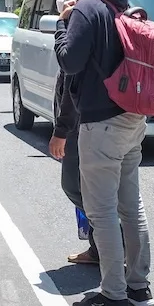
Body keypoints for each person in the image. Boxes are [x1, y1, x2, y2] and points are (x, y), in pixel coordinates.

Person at [54, 0, 153, 306]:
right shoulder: (120, 3)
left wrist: (64, 22)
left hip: (101, 123)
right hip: (131, 118)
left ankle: (113, 297)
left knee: (102, 211)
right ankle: (138, 288)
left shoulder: (87, 8)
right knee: (132, 207)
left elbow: (70, 61)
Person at [49, 68, 100, 266]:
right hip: (115, 121)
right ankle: (106, 247)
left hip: (82, 124)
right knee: (113, 193)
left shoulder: (80, 37)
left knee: (74, 186)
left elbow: (73, 86)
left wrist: (62, 130)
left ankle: (109, 244)